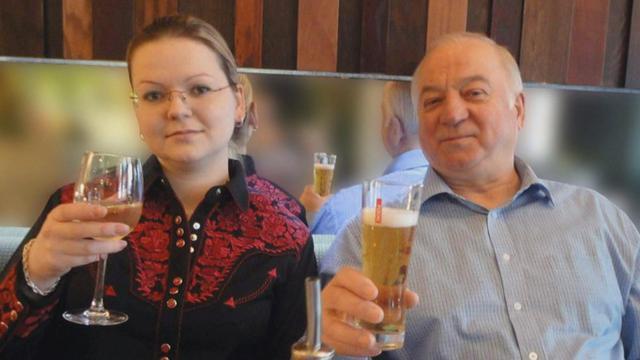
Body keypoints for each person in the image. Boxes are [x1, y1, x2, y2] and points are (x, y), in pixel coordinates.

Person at [0, 15, 316, 359]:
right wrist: (37, 276)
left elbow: (300, 350)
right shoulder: (79, 205)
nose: (177, 110)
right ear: (137, 111)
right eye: (154, 94)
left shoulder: (285, 225)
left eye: (199, 89)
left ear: (238, 102)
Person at [320, 32, 640, 359]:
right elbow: (332, 344)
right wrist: (329, 342)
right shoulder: (368, 240)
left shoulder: (601, 220)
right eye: (432, 101)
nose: (453, 114)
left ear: (518, 109)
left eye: (474, 93)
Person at [301, 81, 428, 235]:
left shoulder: (343, 209)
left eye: (383, 115)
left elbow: (310, 254)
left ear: (395, 131)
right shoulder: (457, 196)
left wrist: (309, 214)